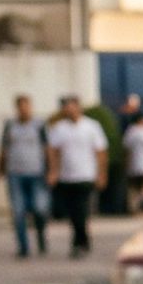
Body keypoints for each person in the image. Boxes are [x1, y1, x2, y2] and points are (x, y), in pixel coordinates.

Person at [44, 95, 107, 258]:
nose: (69, 110)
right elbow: (53, 151)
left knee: (81, 210)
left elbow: (100, 152)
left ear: (79, 108)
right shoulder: (59, 128)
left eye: (72, 106)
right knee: (73, 212)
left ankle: (78, 242)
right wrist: (53, 171)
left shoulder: (92, 126)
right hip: (67, 176)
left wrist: (101, 174)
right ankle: (82, 239)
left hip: (86, 175)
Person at [0, 94, 51, 257]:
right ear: (17, 108)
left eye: (26, 106)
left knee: (40, 209)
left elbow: (47, 149)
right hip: (15, 175)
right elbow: (3, 150)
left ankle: (40, 235)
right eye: (21, 107)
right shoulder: (10, 126)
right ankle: (23, 247)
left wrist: (51, 170)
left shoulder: (39, 126)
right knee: (18, 211)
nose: (24, 110)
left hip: (36, 173)